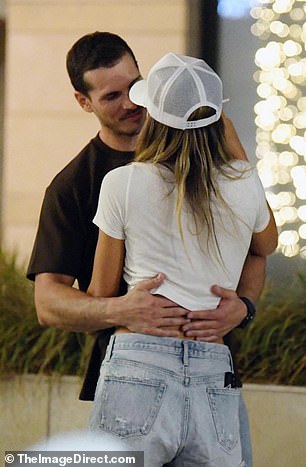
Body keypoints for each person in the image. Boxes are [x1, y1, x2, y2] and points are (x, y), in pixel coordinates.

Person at [27, 32, 265, 465]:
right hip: (142, 367)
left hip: (213, 368)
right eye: (112, 95)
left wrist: (244, 306)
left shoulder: (214, 166)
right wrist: (121, 310)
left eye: (135, 86)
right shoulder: (73, 187)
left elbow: (255, 251)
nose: (131, 103)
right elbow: (47, 302)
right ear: (84, 102)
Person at [87, 52, 278, 466]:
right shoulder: (244, 183)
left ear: (152, 117)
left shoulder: (121, 183)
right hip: (213, 364)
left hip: (139, 360)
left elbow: (101, 293)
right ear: (217, 119)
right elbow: (266, 244)